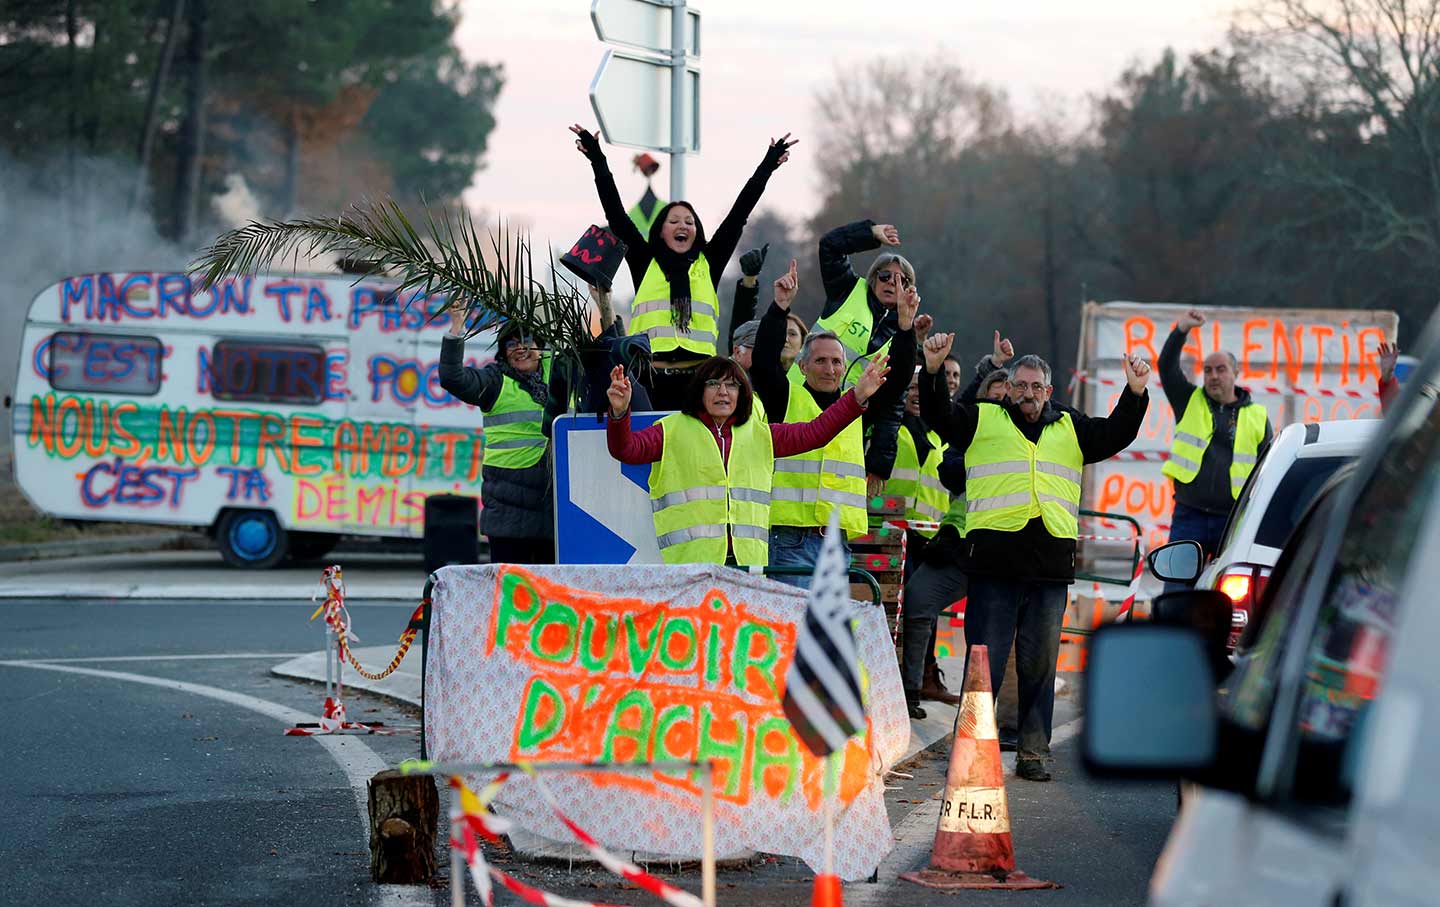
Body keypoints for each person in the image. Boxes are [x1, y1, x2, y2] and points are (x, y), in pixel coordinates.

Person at [917, 335, 1150, 781]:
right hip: (994, 565)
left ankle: (1034, 752)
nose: (1027, 393)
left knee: (1039, 666)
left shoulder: (1070, 425)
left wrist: (1134, 392)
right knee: (983, 665)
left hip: (1049, 568)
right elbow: (940, 415)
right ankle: (970, 752)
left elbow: (1116, 433)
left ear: (1048, 390)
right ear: (1007, 388)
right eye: (1019, 385)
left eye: (1036, 386)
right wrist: (931, 371)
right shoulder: (983, 418)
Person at [570, 124, 796, 409]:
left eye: (689, 222)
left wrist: (768, 166)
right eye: (674, 221)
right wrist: (597, 159)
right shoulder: (645, 261)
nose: (683, 226)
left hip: (700, 382)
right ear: (660, 230)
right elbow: (616, 215)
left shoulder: (708, 262)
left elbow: (739, 213)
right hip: (649, 380)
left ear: (697, 231)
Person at [604, 354, 890, 567]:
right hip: (691, 567)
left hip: (748, 567)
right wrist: (619, 413)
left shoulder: (761, 435)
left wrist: (856, 397)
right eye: (713, 384)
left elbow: (816, 432)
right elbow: (626, 450)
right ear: (699, 390)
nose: (723, 392)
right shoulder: (671, 429)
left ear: (742, 394)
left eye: (732, 385)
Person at [750, 259, 918, 587]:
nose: (830, 369)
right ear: (802, 366)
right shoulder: (785, 398)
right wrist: (779, 308)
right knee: (794, 621)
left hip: (836, 542)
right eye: (821, 361)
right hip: (789, 538)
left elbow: (897, 379)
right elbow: (764, 363)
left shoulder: (856, 405)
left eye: (837, 362)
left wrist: (905, 327)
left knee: (824, 625)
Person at [438, 310, 557, 565]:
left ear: (541, 348)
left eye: (527, 341)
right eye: (511, 345)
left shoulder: (559, 373)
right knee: (510, 587)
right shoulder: (495, 381)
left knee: (548, 589)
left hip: (554, 513)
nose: (520, 348)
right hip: (508, 515)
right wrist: (456, 327)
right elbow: (452, 378)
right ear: (503, 354)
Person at [1159, 309, 1273, 570]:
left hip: (1232, 520)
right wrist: (1182, 328)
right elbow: (1166, 366)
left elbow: (1267, 470)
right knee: (1178, 582)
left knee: (1228, 586)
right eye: (1208, 370)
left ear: (1236, 372)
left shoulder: (1257, 416)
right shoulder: (1188, 400)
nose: (1213, 376)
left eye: (1221, 370)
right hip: (1190, 515)